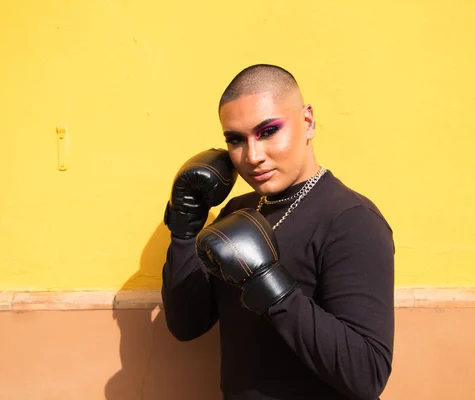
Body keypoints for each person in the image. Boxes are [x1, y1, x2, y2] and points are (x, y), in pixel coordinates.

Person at [161, 64, 395, 400]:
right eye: (236, 140)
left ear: (308, 122)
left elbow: (368, 375)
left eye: (268, 131)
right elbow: (186, 325)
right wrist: (185, 228)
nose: (252, 156)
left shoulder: (351, 221)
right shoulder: (238, 211)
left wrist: (271, 286)